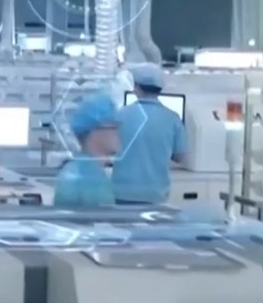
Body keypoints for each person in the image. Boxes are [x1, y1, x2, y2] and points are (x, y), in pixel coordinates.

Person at [111, 63, 187, 205]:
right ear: (160, 89)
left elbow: (109, 150)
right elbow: (180, 157)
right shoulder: (173, 118)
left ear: (136, 88)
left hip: (121, 193)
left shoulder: (120, 115)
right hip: (155, 195)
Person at [55, 95, 120, 207]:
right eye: (114, 127)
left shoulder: (90, 171)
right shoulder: (85, 179)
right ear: (95, 132)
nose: (118, 133)